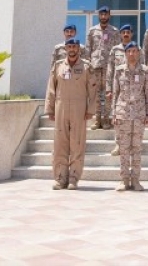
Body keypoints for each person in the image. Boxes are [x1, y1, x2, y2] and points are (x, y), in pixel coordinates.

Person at [45, 38, 97, 190]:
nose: (72, 49)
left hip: (79, 108)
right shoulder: (58, 66)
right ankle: (60, 178)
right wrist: (50, 109)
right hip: (61, 106)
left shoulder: (87, 67)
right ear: (66, 49)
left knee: (77, 143)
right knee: (60, 143)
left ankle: (74, 177)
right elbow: (51, 88)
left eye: (74, 46)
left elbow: (93, 89)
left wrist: (90, 109)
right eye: (69, 47)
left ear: (78, 49)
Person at [112, 42, 148, 191]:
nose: (132, 54)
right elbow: (115, 93)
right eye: (129, 51)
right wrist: (114, 113)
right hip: (123, 113)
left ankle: (135, 180)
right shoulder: (119, 71)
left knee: (137, 148)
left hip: (139, 114)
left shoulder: (145, 71)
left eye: (134, 51)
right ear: (125, 53)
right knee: (123, 148)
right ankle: (123, 180)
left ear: (138, 53)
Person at [86, 5, 120, 130]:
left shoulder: (115, 31)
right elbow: (88, 49)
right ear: (99, 15)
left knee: (108, 94)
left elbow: (117, 49)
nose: (104, 16)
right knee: (95, 94)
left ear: (109, 15)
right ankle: (97, 119)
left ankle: (106, 119)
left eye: (106, 14)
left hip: (109, 67)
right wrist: (88, 65)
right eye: (101, 14)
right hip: (95, 66)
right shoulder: (92, 31)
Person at [106, 24, 136, 156]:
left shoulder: (137, 49)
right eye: (123, 32)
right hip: (119, 88)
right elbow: (110, 69)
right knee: (118, 118)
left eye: (128, 32)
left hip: (135, 89)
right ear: (120, 35)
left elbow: (142, 68)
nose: (125, 34)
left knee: (134, 119)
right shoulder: (115, 50)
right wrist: (108, 88)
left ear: (131, 34)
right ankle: (118, 144)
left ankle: (132, 145)